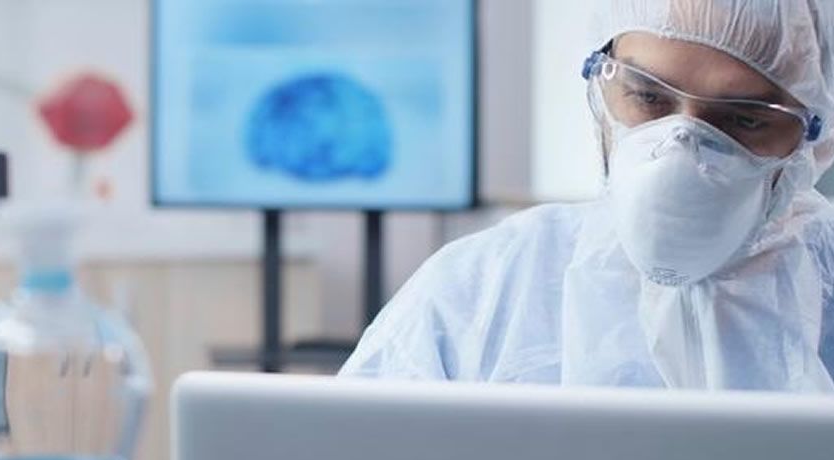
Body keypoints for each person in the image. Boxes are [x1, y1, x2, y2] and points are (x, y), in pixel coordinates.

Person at [339, 0, 834, 391]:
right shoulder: (482, 291)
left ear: (814, 138)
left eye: (744, 119)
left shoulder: (823, 291)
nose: (679, 151)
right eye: (648, 97)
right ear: (601, 80)